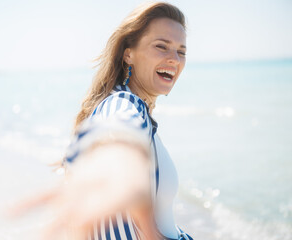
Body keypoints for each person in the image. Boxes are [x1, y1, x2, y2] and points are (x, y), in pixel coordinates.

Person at [12, 2, 193, 240]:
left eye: (181, 51)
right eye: (162, 46)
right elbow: (121, 128)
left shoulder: (123, 109)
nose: (174, 59)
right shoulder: (123, 104)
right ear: (129, 54)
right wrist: (120, 161)